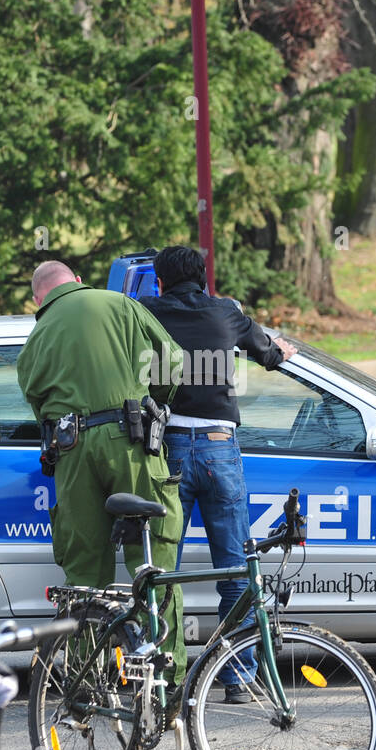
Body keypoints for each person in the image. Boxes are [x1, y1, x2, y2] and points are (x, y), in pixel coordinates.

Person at [16, 260, 189, 689]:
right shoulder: (119, 304)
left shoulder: (36, 337)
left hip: (71, 451)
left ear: (39, 298)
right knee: (153, 562)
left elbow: (36, 400)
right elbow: (173, 360)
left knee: (83, 574)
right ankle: (165, 683)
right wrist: (154, 401)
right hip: (128, 440)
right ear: (77, 280)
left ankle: (85, 683)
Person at [140, 246, 296, 703]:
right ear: (204, 277)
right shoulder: (226, 312)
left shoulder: (145, 312)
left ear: (160, 281)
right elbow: (270, 356)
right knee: (234, 567)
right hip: (218, 448)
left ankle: (162, 678)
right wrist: (280, 350)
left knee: (162, 570)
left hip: (167, 450)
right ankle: (237, 678)